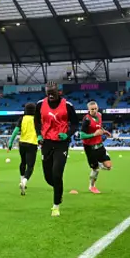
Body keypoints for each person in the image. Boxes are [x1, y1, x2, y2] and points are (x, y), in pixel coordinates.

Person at [35, 81, 78, 217]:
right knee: (48, 178)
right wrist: (38, 134)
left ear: (58, 92)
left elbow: (75, 123)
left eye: (53, 93)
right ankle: (59, 190)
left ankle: (56, 205)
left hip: (61, 143)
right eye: (48, 94)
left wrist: (68, 134)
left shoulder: (67, 105)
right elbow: (36, 121)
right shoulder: (40, 104)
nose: (51, 96)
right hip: (46, 143)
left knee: (56, 173)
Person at [80, 101, 112, 194]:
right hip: (90, 147)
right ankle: (92, 186)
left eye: (95, 108)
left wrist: (104, 131)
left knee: (109, 166)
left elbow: (99, 126)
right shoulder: (86, 120)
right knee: (95, 169)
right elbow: (82, 135)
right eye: (92, 109)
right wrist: (94, 134)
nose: (94, 110)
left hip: (100, 145)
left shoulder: (99, 115)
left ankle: (100, 164)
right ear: (88, 110)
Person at [8, 102, 39, 195]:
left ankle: (21, 179)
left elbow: (15, 131)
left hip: (22, 143)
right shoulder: (36, 119)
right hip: (32, 144)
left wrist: (10, 143)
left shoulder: (22, 119)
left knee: (23, 162)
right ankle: (24, 181)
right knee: (30, 166)